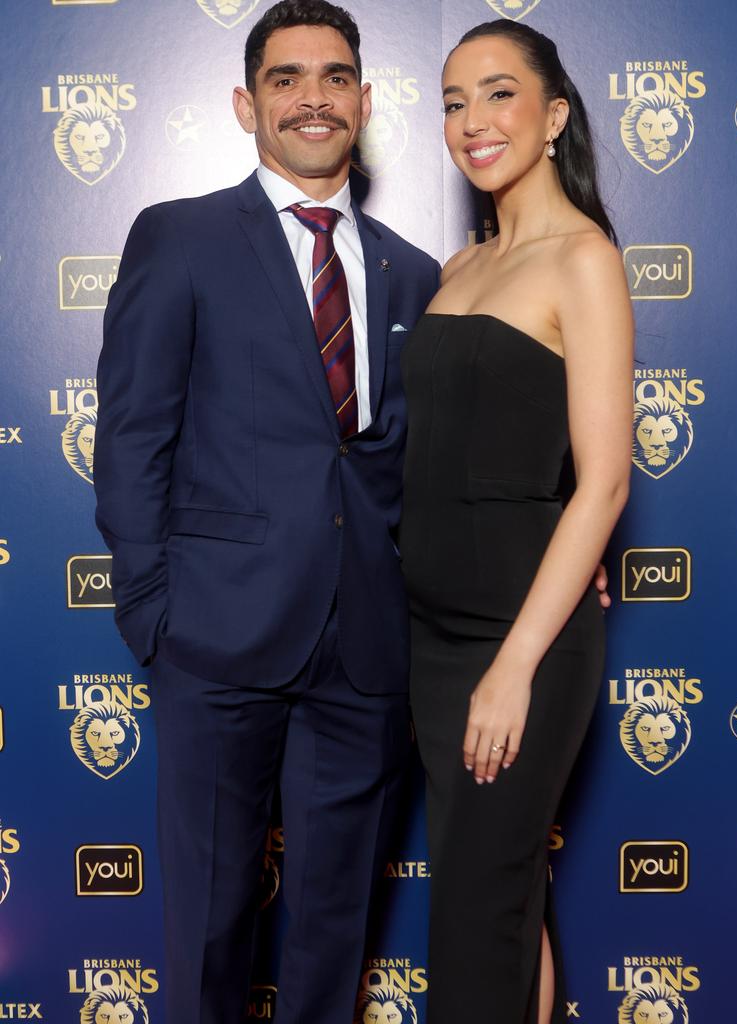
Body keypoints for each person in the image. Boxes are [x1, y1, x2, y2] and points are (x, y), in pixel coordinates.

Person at [92, 3, 440, 1023]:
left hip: (366, 647)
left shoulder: (412, 272)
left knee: (336, 925)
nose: (312, 98)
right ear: (249, 103)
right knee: (208, 919)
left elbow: (406, 466)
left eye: (334, 77)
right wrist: (154, 616)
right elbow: (131, 439)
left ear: (365, 103)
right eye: (287, 78)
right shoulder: (180, 237)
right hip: (214, 634)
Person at [399, 19, 633, 1024]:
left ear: (555, 116)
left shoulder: (584, 259)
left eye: (499, 93)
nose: (472, 120)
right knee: (500, 896)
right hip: (433, 632)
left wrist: (515, 664)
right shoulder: (460, 267)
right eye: (454, 101)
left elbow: (605, 482)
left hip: (519, 639)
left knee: (475, 915)